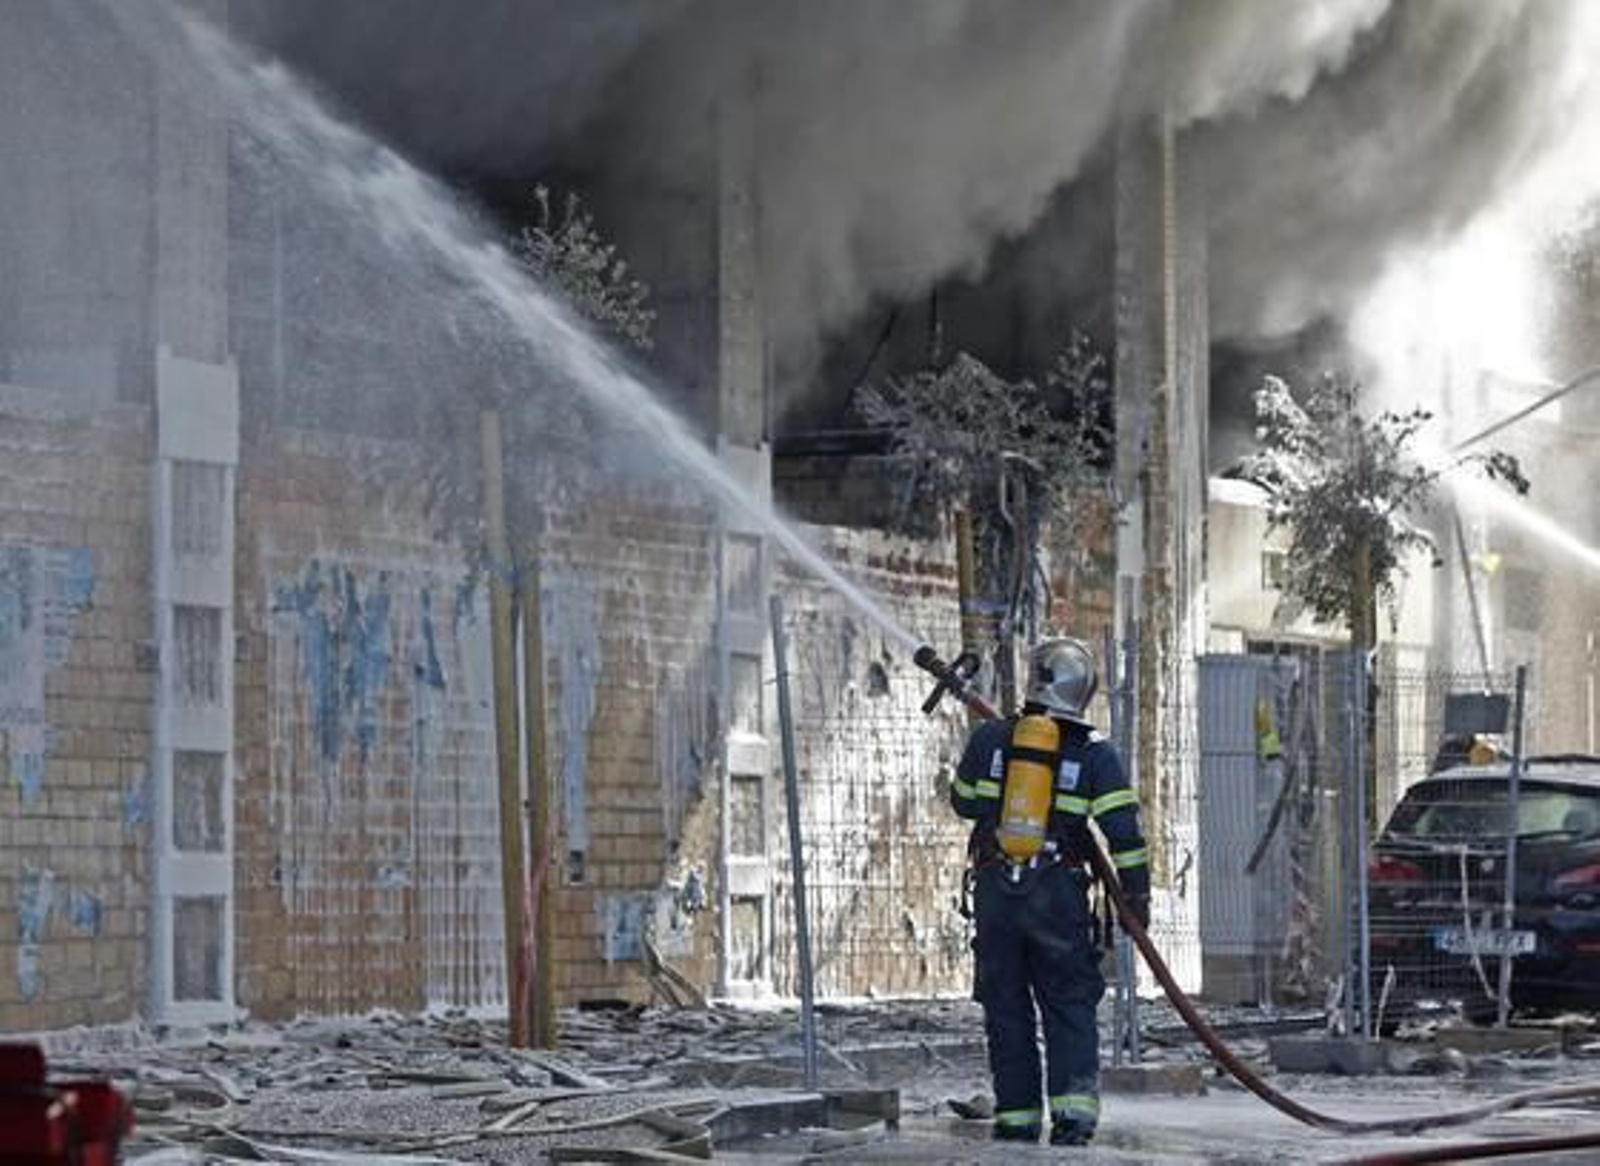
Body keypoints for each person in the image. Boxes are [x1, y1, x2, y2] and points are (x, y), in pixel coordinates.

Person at [950, 637, 1150, 1147]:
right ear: (1081, 691)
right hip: (1056, 894)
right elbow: (1123, 833)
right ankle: (1073, 1117)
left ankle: (1016, 1119)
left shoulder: (991, 738)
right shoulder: (1094, 753)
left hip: (997, 893)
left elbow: (965, 804)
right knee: (1067, 1004)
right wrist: (1136, 899)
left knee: (1006, 1007)